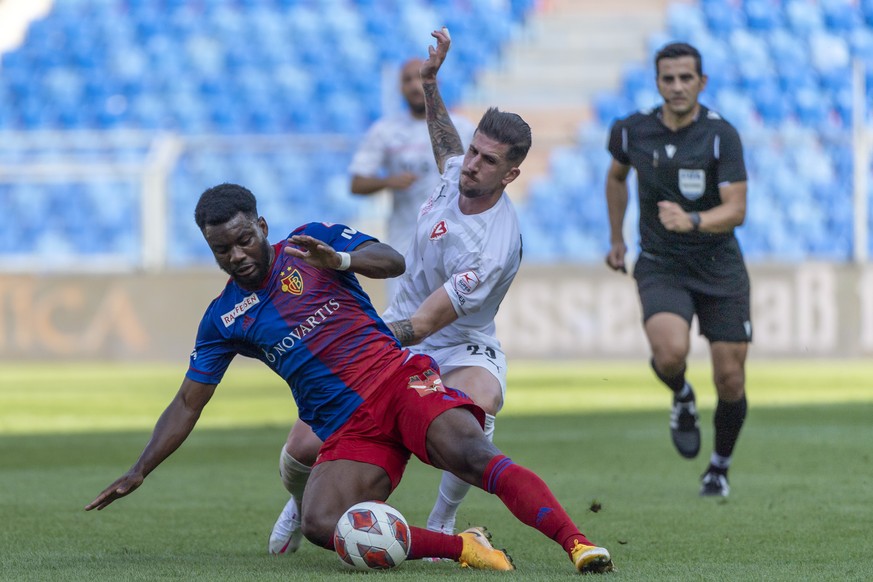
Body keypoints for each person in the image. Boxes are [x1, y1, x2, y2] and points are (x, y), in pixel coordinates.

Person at [87, 30, 614, 575]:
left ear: (262, 227)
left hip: (410, 366)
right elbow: (188, 403)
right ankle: (463, 549)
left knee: (476, 448)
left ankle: (575, 543)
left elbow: (392, 264)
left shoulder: (318, 242)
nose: (238, 256)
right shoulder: (223, 320)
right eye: (223, 249)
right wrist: (141, 469)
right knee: (319, 516)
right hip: (349, 422)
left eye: (244, 240)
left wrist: (340, 265)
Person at [269, 29, 525, 559]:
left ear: (512, 174)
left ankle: (444, 518)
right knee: (301, 447)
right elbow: (447, 147)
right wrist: (432, 85)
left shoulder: (495, 247)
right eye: (475, 151)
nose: (473, 163)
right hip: (399, 321)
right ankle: (299, 504)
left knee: (479, 401)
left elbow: (427, 327)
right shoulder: (459, 171)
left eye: (488, 160)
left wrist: (346, 339)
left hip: (456, 341)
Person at [604, 42, 751, 497]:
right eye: (669, 78)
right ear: (657, 82)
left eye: (686, 78)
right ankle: (682, 395)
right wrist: (616, 238)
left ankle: (719, 468)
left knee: (730, 379)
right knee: (669, 353)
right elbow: (615, 176)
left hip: (719, 266)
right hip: (661, 264)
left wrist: (692, 220)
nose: (677, 86)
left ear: (701, 82)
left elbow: (738, 209)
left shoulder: (720, 135)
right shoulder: (632, 131)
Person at [349, 57, 475, 259]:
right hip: (405, 240)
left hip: (453, 237)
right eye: (407, 80)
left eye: (419, 78)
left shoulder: (462, 128)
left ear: (435, 82)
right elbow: (356, 184)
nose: (415, 85)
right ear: (400, 88)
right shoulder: (385, 130)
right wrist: (388, 181)